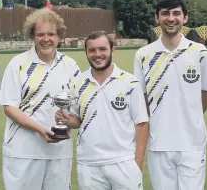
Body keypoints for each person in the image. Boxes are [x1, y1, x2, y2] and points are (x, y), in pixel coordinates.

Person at [133, 0, 207, 190]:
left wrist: (189, 115)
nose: (171, 18)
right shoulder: (143, 54)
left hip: (192, 144)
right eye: (165, 13)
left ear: (185, 18)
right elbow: (140, 97)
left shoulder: (199, 52)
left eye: (176, 13)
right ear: (157, 18)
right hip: (158, 143)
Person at [0, 8, 80, 190]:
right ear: (32, 36)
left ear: (59, 36)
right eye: (40, 34)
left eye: (51, 34)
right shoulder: (18, 64)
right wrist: (41, 131)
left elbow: (77, 111)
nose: (46, 39)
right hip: (23, 152)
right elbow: (10, 108)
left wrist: (69, 122)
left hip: (59, 152)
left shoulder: (70, 66)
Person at [56, 30, 149, 190]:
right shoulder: (77, 82)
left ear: (112, 50)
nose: (97, 54)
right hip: (89, 164)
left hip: (123, 162)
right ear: (86, 52)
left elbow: (142, 124)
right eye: (92, 50)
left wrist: (137, 162)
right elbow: (77, 121)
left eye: (102, 49)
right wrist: (66, 119)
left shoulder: (129, 83)